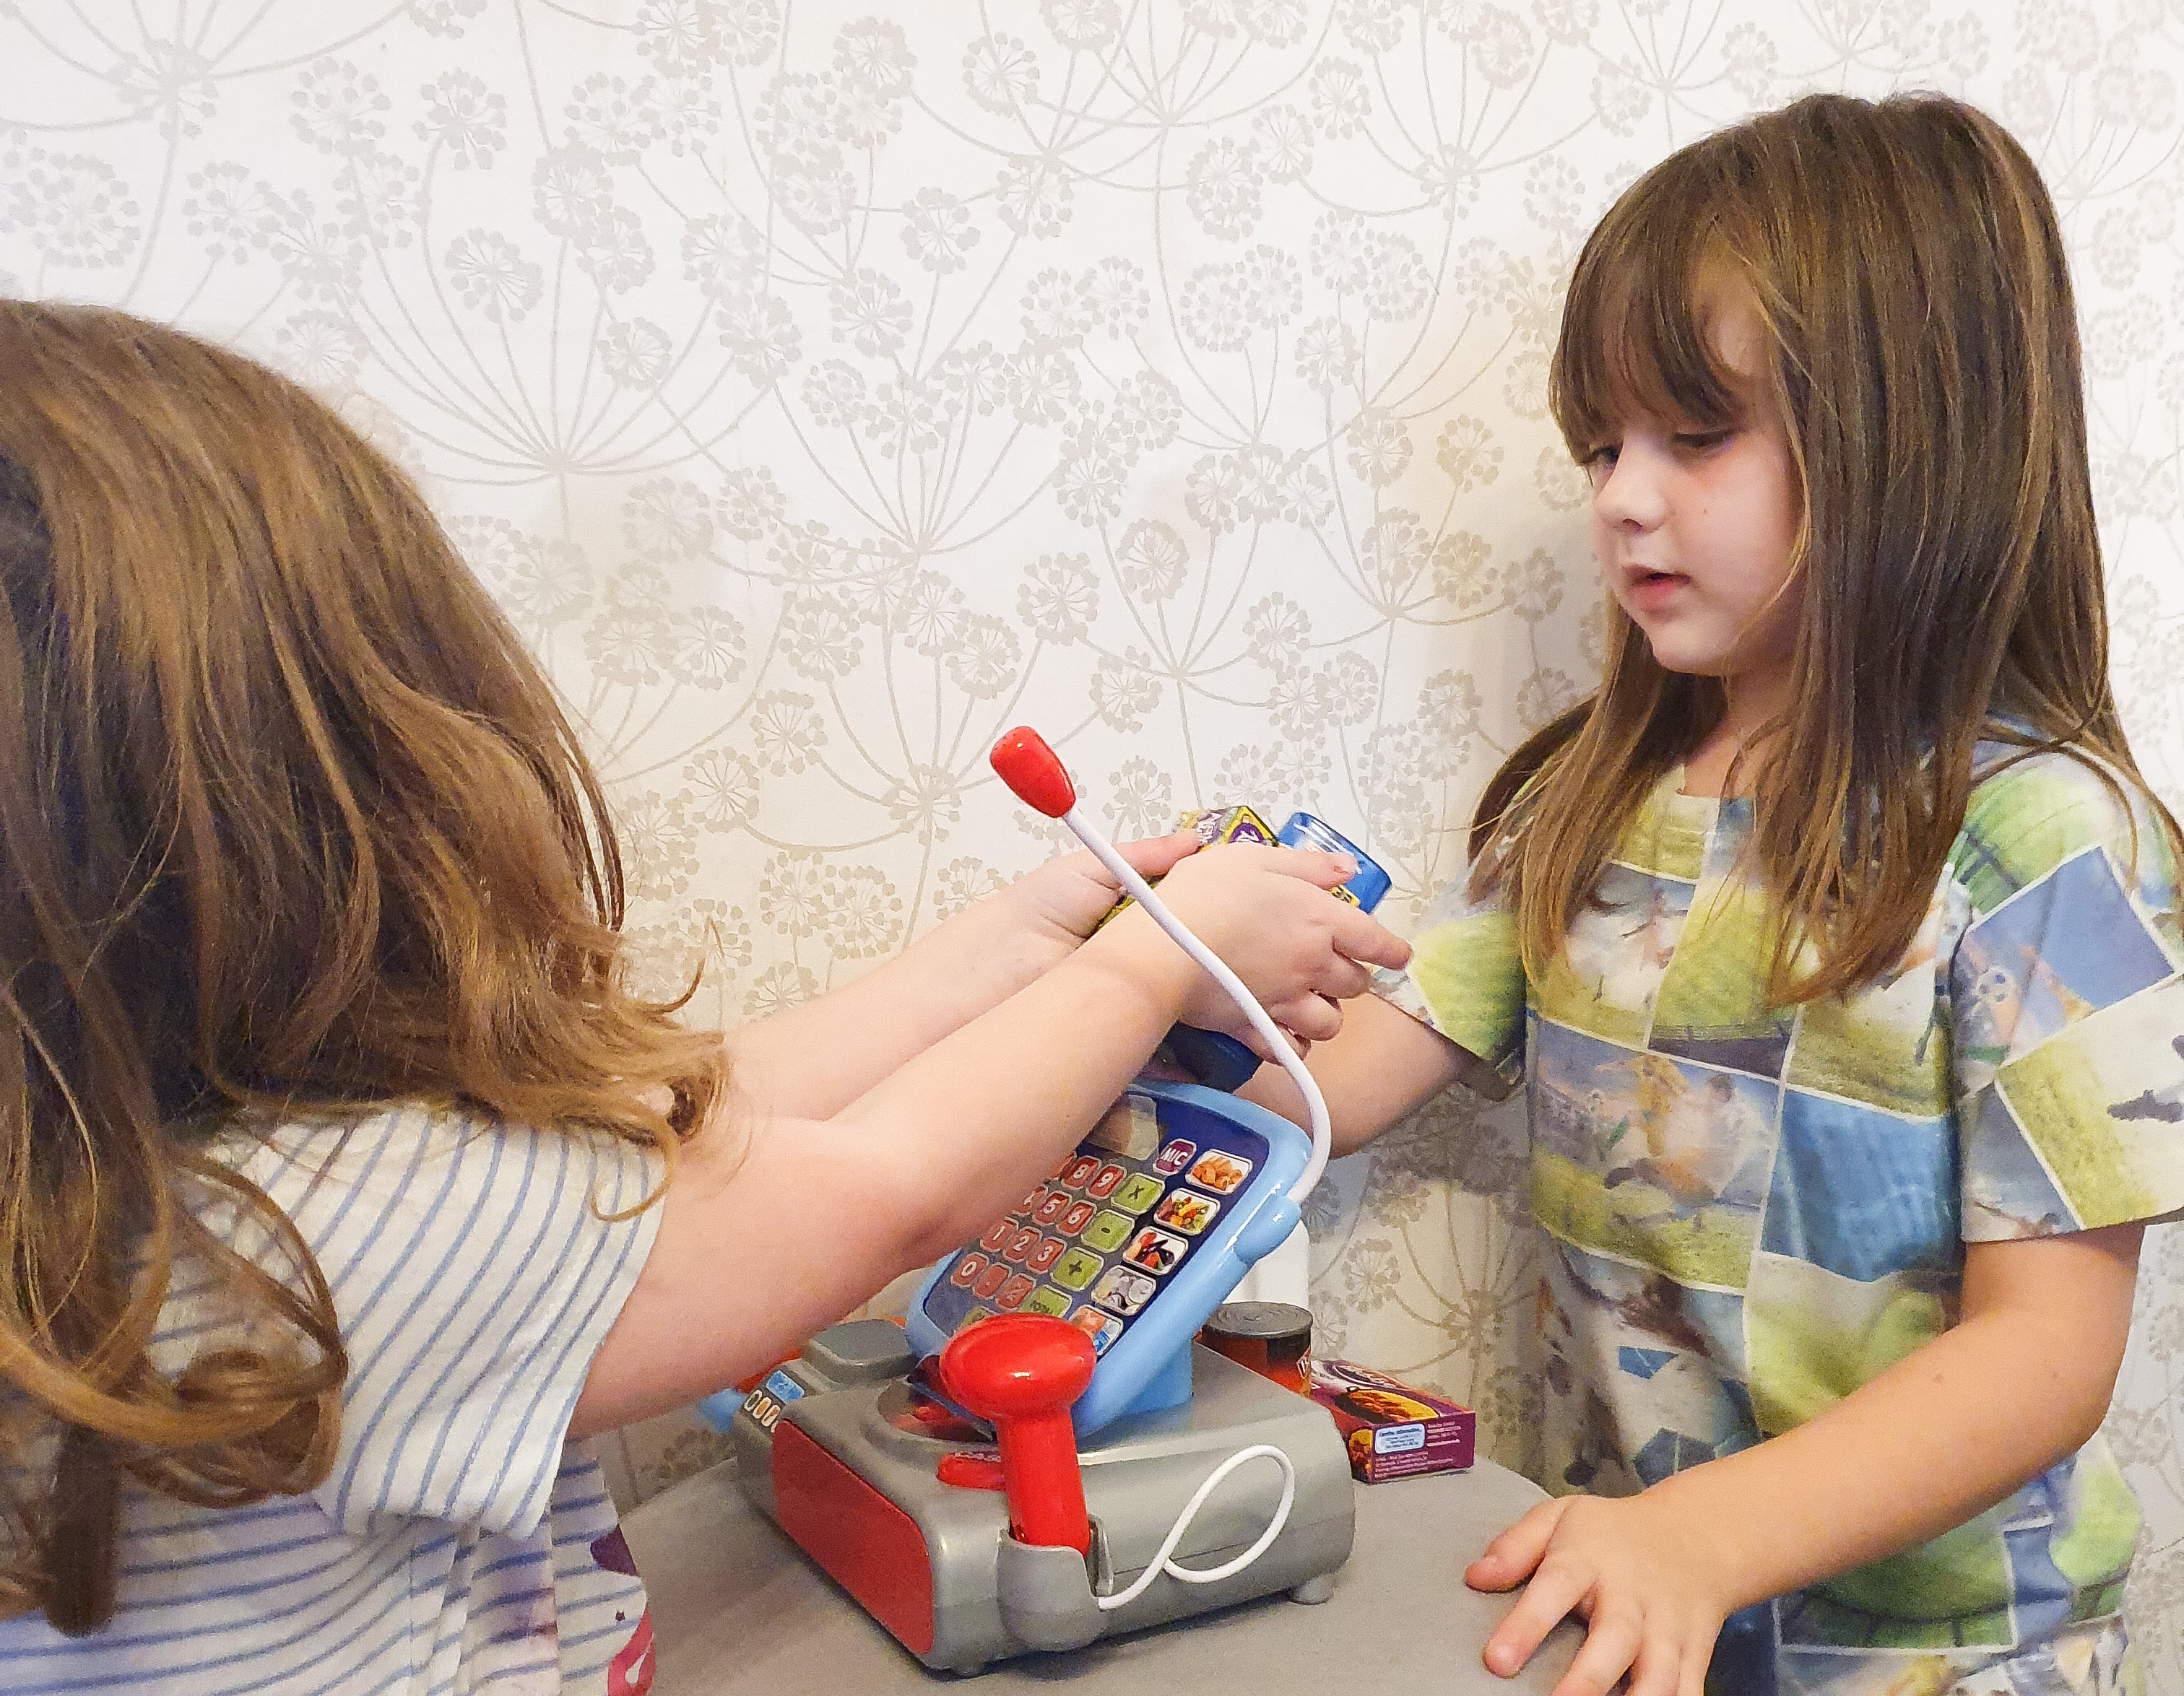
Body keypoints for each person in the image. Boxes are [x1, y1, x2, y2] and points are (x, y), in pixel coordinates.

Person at [0, 299, 1410, 1692]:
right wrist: (1150, 962)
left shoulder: (121, 1194)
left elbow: (662, 1124)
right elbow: (879, 1191)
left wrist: (1016, 942)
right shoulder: (308, 1237)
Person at [1244, 92, 2182, 1696]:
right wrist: (1153, 1006)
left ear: (1910, 442)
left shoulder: (2042, 839)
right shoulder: (1589, 799)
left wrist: (1706, 1535)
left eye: (1693, 435)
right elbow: (1331, 1089)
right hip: (1637, 1619)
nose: (1620, 495)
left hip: (1948, 1659)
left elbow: (2046, 1354)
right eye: (1602, 445)